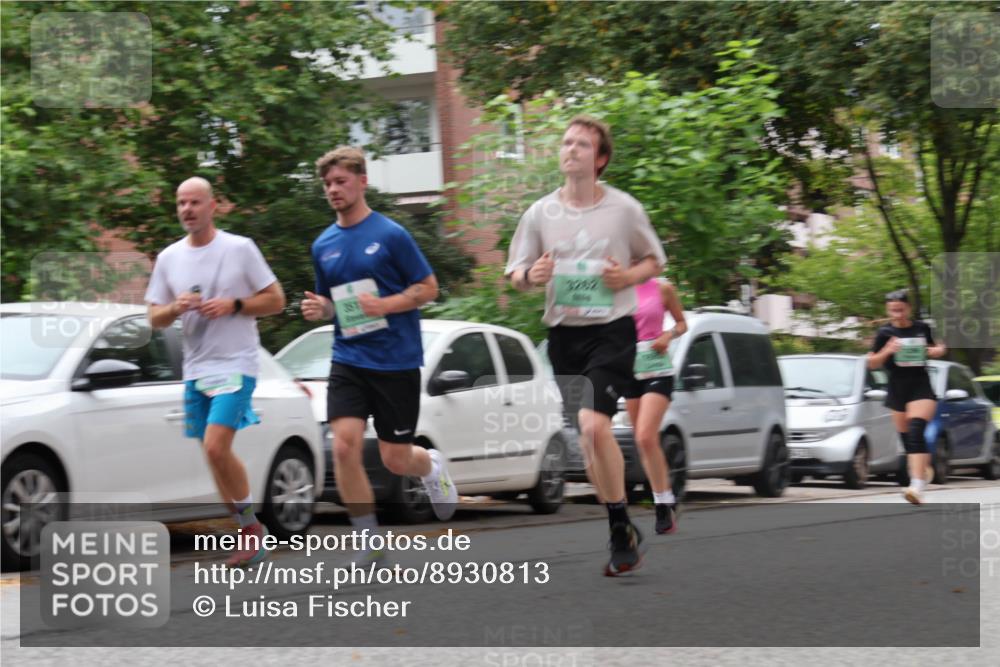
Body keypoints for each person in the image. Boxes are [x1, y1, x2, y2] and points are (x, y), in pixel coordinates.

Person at [506, 116, 666, 576]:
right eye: (566, 142)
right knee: (587, 438)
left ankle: (619, 527)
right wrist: (529, 277)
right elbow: (515, 271)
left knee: (594, 428)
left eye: (582, 144)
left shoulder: (623, 209)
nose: (571, 149)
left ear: (600, 159)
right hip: (563, 335)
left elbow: (653, 259)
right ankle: (621, 524)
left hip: (611, 329)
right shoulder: (540, 213)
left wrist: (627, 277)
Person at [301, 146, 457, 562]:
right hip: (348, 358)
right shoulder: (323, 245)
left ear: (362, 181)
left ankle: (431, 466)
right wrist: (322, 310)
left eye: (341, 181)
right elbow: (335, 304)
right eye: (328, 184)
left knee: (395, 459)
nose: (333, 189)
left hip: (396, 361)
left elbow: (428, 287)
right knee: (345, 447)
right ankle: (369, 543)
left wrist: (385, 306)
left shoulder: (391, 235)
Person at [147, 176, 286, 567]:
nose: (187, 209)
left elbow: (276, 300)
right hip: (196, 368)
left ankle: (253, 531)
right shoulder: (169, 258)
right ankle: (247, 533)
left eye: (194, 202)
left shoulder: (240, 249)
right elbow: (154, 317)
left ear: (213, 206)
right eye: (181, 203)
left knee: (215, 446)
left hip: (236, 364)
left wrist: (234, 305)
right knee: (213, 457)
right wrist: (176, 308)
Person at [867, 289, 947, 505]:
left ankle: (916, 485)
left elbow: (938, 347)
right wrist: (888, 350)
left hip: (920, 386)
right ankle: (922, 469)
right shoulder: (884, 333)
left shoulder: (922, 328)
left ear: (908, 308)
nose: (897, 314)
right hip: (897, 388)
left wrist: (937, 351)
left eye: (901, 310)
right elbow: (872, 363)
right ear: (888, 310)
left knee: (915, 431)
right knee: (907, 441)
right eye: (893, 311)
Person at [624, 276, 687, 534]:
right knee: (642, 442)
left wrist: (667, 335)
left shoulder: (662, 288)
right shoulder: (614, 290)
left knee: (646, 436)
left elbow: (682, 323)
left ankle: (662, 504)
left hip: (657, 369)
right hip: (629, 370)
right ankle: (665, 497)